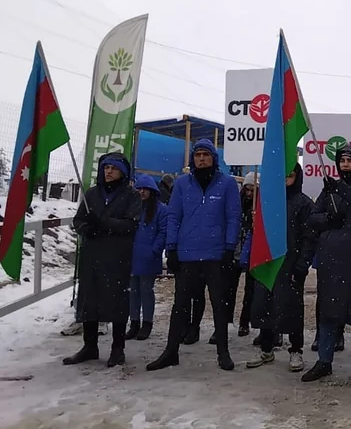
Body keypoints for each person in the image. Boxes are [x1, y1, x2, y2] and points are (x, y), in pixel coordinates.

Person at [147, 139, 241, 372]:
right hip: (187, 253)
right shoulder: (181, 184)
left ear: (213, 159)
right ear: (193, 159)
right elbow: (174, 216)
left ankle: (223, 352)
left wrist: (230, 247)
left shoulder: (227, 184)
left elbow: (233, 217)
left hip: (215, 254)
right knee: (180, 305)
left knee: (219, 305)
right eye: (197, 154)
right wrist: (172, 247)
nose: (201, 158)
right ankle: (171, 351)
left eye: (206, 155)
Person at [302, 145, 351, 388]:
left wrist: (341, 189)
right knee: (328, 315)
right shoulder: (329, 190)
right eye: (342, 160)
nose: (345, 164)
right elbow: (313, 218)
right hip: (331, 263)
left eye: (350, 160)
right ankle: (324, 362)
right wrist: (329, 219)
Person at [64, 153, 141, 367]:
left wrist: (103, 223)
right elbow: (79, 220)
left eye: (114, 168)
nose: (108, 172)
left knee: (116, 301)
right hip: (92, 255)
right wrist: (86, 227)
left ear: (122, 172)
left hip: (117, 257)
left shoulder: (131, 196)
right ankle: (90, 346)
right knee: (89, 300)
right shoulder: (92, 194)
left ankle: (118, 349)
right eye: (106, 167)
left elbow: (130, 224)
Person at [244, 164, 316, 372]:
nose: (286, 179)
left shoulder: (303, 203)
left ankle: (296, 349)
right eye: (282, 175)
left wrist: (302, 263)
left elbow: (309, 237)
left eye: (290, 175)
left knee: (292, 308)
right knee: (264, 304)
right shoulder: (267, 200)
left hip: (290, 264)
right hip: (268, 262)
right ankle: (267, 347)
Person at [125, 175, 168, 341]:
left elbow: (163, 232)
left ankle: (147, 323)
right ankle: (134, 322)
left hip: (149, 257)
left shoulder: (161, 210)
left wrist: (154, 250)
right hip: (133, 255)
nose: (141, 192)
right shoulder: (133, 208)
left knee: (146, 291)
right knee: (132, 291)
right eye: (139, 189)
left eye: (144, 189)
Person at [234, 172, 258, 338]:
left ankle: (246, 321)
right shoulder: (238, 204)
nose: (249, 193)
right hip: (236, 251)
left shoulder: (259, 207)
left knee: (251, 290)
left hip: (251, 253)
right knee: (229, 290)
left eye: (252, 190)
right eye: (247, 190)